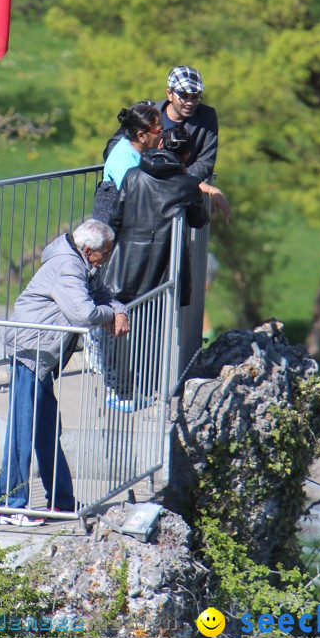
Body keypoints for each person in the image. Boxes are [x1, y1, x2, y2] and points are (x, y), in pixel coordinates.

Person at [0, 219, 129, 527]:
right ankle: (7, 505)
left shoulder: (82, 265)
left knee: (47, 429)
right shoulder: (68, 267)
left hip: (43, 355)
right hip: (30, 351)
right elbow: (84, 312)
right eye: (105, 252)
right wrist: (110, 313)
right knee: (22, 429)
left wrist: (118, 308)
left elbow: (102, 293)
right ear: (87, 249)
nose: (107, 258)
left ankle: (62, 501)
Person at [102, 149, 210, 410]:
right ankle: (146, 388)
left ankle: (118, 389)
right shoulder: (187, 183)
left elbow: (116, 216)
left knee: (116, 327)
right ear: (184, 158)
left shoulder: (133, 174)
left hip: (126, 263)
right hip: (163, 268)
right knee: (152, 331)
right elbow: (198, 220)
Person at [103, 66, 230, 222]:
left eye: (195, 97)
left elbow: (206, 162)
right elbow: (113, 147)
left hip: (177, 200)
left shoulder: (207, 116)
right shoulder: (147, 112)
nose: (190, 102)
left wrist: (181, 184)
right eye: (184, 96)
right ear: (169, 93)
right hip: (141, 202)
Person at [92, 100, 163, 223]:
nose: (163, 135)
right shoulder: (124, 159)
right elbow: (137, 196)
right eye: (159, 132)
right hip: (112, 227)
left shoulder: (139, 148)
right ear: (141, 136)